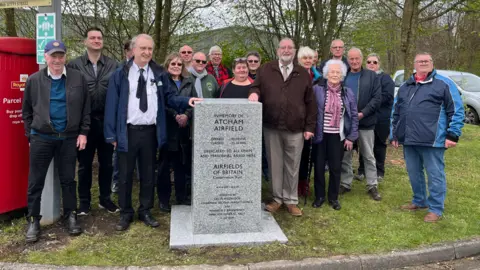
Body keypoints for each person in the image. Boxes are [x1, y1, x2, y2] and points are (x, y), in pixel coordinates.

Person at [104, 34, 201, 231]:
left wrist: (186, 101)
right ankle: (126, 212)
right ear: (133, 50)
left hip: (150, 132)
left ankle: (145, 210)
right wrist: (111, 134)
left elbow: (169, 96)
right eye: (143, 48)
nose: (147, 52)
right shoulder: (120, 73)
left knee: (148, 173)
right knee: (125, 174)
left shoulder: (158, 73)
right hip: (127, 131)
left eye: (150, 49)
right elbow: (111, 104)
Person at [22, 40, 90, 242]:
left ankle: (70, 215)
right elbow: (26, 111)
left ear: (65, 57)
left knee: (68, 180)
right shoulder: (34, 80)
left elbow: (86, 108)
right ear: (46, 57)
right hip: (41, 138)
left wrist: (83, 132)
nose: (57, 60)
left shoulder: (78, 78)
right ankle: (34, 219)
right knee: (36, 181)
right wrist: (30, 135)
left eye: (61, 56)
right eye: (53, 56)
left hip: (68, 138)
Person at [248, 38, 317, 217]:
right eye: (283, 47)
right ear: (278, 50)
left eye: (290, 48)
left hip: (296, 128)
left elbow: (310, 102)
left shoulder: (302, 73)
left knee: (293, 165)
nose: (286, 50)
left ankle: (291, 200)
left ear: (294, 52)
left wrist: (310, 127)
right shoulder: (266, 69)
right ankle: (277, 199)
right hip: (272, 126)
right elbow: (255, 87)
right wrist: (254, 94)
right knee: (275, 164)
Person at [392, 52, 464, 223]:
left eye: (426, 60)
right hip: (409, 139)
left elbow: (456, 110)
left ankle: (436, 208)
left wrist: (452, 135)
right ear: (414, 65)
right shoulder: (405, 86)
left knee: (435, 174)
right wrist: (394, 133)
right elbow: (396, 112)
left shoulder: (444, 84)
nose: (423, 63)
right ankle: (419, 201)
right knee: (414, 173)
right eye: (419, 61)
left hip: (433, 140)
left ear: (432, 63)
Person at [67, 27, 119, 215]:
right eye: (93, 38)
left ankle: (105, 199)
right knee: (85, 164)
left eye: (99, 38)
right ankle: (84, 202)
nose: (96, 40)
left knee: (107, 164)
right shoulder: (74, 65)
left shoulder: (113, 65)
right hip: (84, 123)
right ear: (85, 42)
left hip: (106, 121)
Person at [312, 59, 358, 210]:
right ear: (326, 73)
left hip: (338, 136)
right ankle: (319, 197)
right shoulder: (317, 89)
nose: (335, 74)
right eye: (332, 71)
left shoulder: (347, 92)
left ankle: (333, 198)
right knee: (318, 167)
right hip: (320, 135)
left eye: (338, 72)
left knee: (335, 168)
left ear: (342, 75)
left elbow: (353, 116)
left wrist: (351, 137)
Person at [340, 48, 382, 201]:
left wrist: (362, 113)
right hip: (347, 123)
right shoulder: (343, 76)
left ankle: (372, 184)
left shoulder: (371, 76)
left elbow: (377, 98)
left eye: (357, 58)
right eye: (351, 59)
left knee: (368, 155)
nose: (354, 61)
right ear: (348, 60)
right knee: (345, 154)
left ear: (361, 59)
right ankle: (345, 182)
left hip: (366, 122)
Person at [157, 53, 197, 212]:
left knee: (182, 165)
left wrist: (186, 115)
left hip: (184, 130)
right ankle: (163, 200)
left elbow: (194, 101)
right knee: (164, 167)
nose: (176, 66)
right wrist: (175, 115)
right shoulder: (162, 81)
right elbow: (161, 103)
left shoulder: (189, 82)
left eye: (179, 64)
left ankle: (181, 196)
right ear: (167, 65)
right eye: (173, 63)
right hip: (167, 128)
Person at [356, 53, 394, 182]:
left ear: (379, 64)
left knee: (379, 145)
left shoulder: (386, 79)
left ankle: (379, 171)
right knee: (364, 145)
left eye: (374, 62)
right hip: (365, 117)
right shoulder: (363, 77)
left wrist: (372, 102)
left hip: (380, 119)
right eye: (369, 62)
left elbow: (388, 96)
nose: (371, 64)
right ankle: (362, 170)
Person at [296, 46, 322, 198]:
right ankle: (293, 184)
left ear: (314, 60)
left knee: (308, 154)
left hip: (313, 120)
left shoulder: (319, 77)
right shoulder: (294, 75)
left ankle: (304, 184)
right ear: (299, 60)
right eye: (304, 58)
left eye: (309, 58)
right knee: (296, 154)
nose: (307, 60)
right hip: (296, 120)